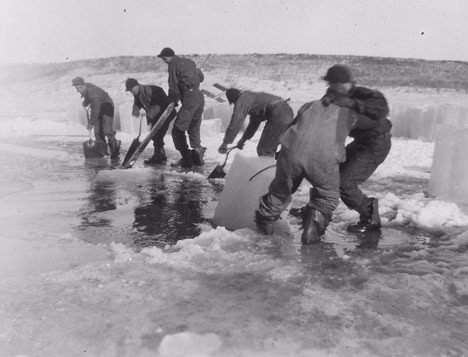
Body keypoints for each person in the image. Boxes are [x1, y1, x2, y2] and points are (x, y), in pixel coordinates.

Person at [255, 66, 380, 244]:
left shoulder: (310, 105)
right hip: (323, 157)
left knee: (281, 190)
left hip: (290, 150)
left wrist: (282, 153)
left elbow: (294, 126)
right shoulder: (351, 112)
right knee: (327, 196)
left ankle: (264, 227)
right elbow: (374, 126)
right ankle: (311, 231)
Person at [291, 65, 392, 234]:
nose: (333, 87)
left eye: (337, 84)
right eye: (331, 84)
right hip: (359, 141)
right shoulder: (332, 95)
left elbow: (381, 110)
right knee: (326, 173)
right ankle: (314, 210)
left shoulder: (364, 94)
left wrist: (352, 103)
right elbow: (319, 118)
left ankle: (370, 217)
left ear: (346, 82)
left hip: (376, 144)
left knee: (345, 184)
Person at [157, 47, 206, 168]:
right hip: (199, 96)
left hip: (189, 98)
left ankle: (186, 158)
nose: (164, 61)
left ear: (169, 57)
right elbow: (201, 77)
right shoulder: (190, 62)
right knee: (194, 127)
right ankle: (197, 153)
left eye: (164, 59)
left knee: (177, 130)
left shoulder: (173, 65)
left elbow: (173, 85)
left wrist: (173, 101)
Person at [218, 89, 295, 157]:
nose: (235, 105)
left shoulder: (241, 100)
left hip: (278, 114)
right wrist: (243, 140)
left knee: (265, 149)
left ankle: (265, 172)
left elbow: (236, 123)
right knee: (271, 146)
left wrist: (225, 143)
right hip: (287, 111)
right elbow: (253, 124)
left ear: (234, 99)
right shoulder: (253, 98)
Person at [125, 78, 177, 165]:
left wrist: (149, 116)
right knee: (156, 135)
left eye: (131, 90)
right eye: (130, 91)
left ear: (137, 85)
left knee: (157, 134)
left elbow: (158, 105)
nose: (131, 92)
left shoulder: (153, 90)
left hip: (166, 113)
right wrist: (136, 111)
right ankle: (161, 155)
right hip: (157, 115)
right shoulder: (137, 93)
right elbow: (137, 104)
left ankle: (158, 156)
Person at [72, 77, 120, 158]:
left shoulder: (93, 93)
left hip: (107, 107)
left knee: (107, 131)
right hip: (98, 107)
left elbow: (95, 108)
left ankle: (115, 149)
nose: (79, 90)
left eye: (79, 88)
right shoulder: (86, 88)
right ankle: (103, 152)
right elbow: (90, 100)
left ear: (83, 86)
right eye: (77, 89)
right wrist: (86, 102)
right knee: (97, 132)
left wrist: (91, 122)